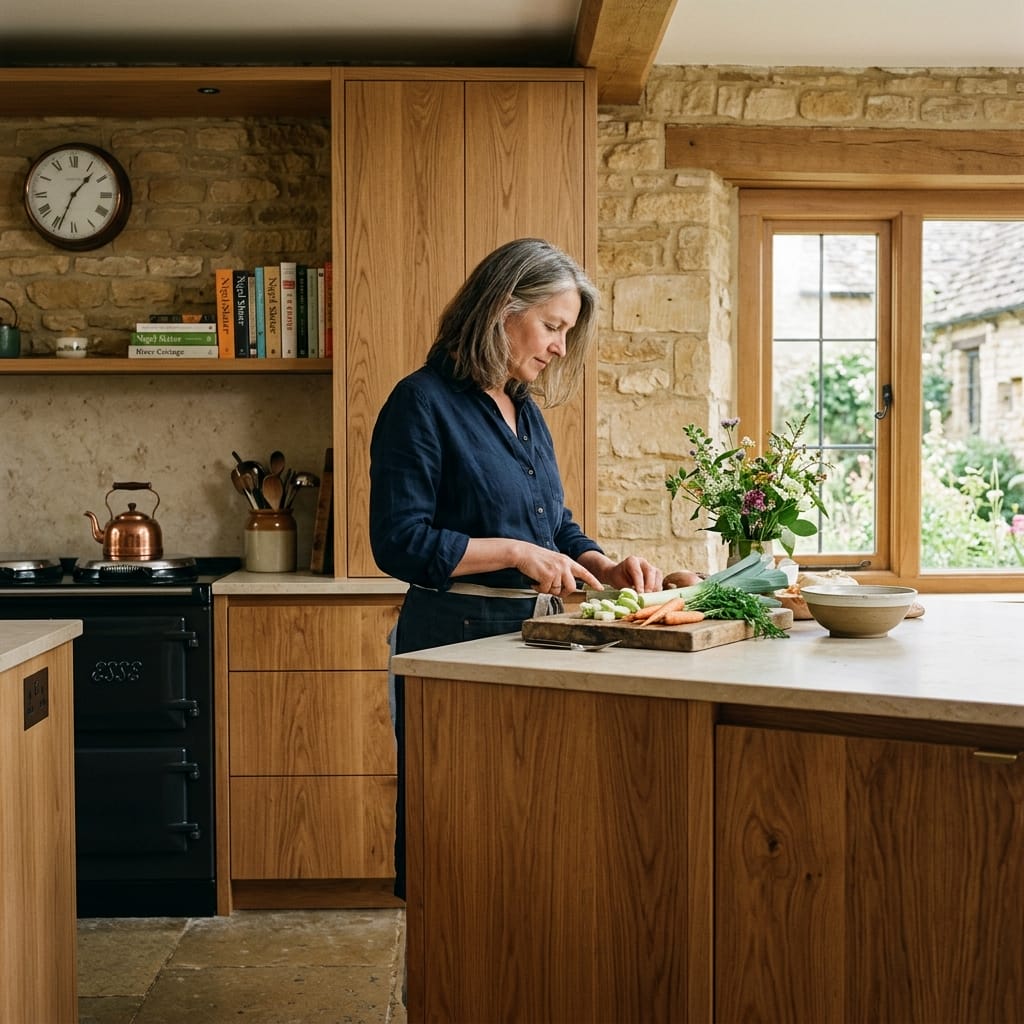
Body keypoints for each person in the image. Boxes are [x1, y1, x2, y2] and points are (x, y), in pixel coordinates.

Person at [369, 237, 665, 899]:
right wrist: (512, 552)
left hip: (534, 637)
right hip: (453, 637)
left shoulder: (523, 412)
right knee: (456, 829)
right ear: (502, 309)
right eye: (553, 326)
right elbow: (398, 540)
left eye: (566, 331)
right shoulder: (419, 403)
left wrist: (603, 566)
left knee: (526, 830)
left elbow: (551, 521)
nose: (561, 346)